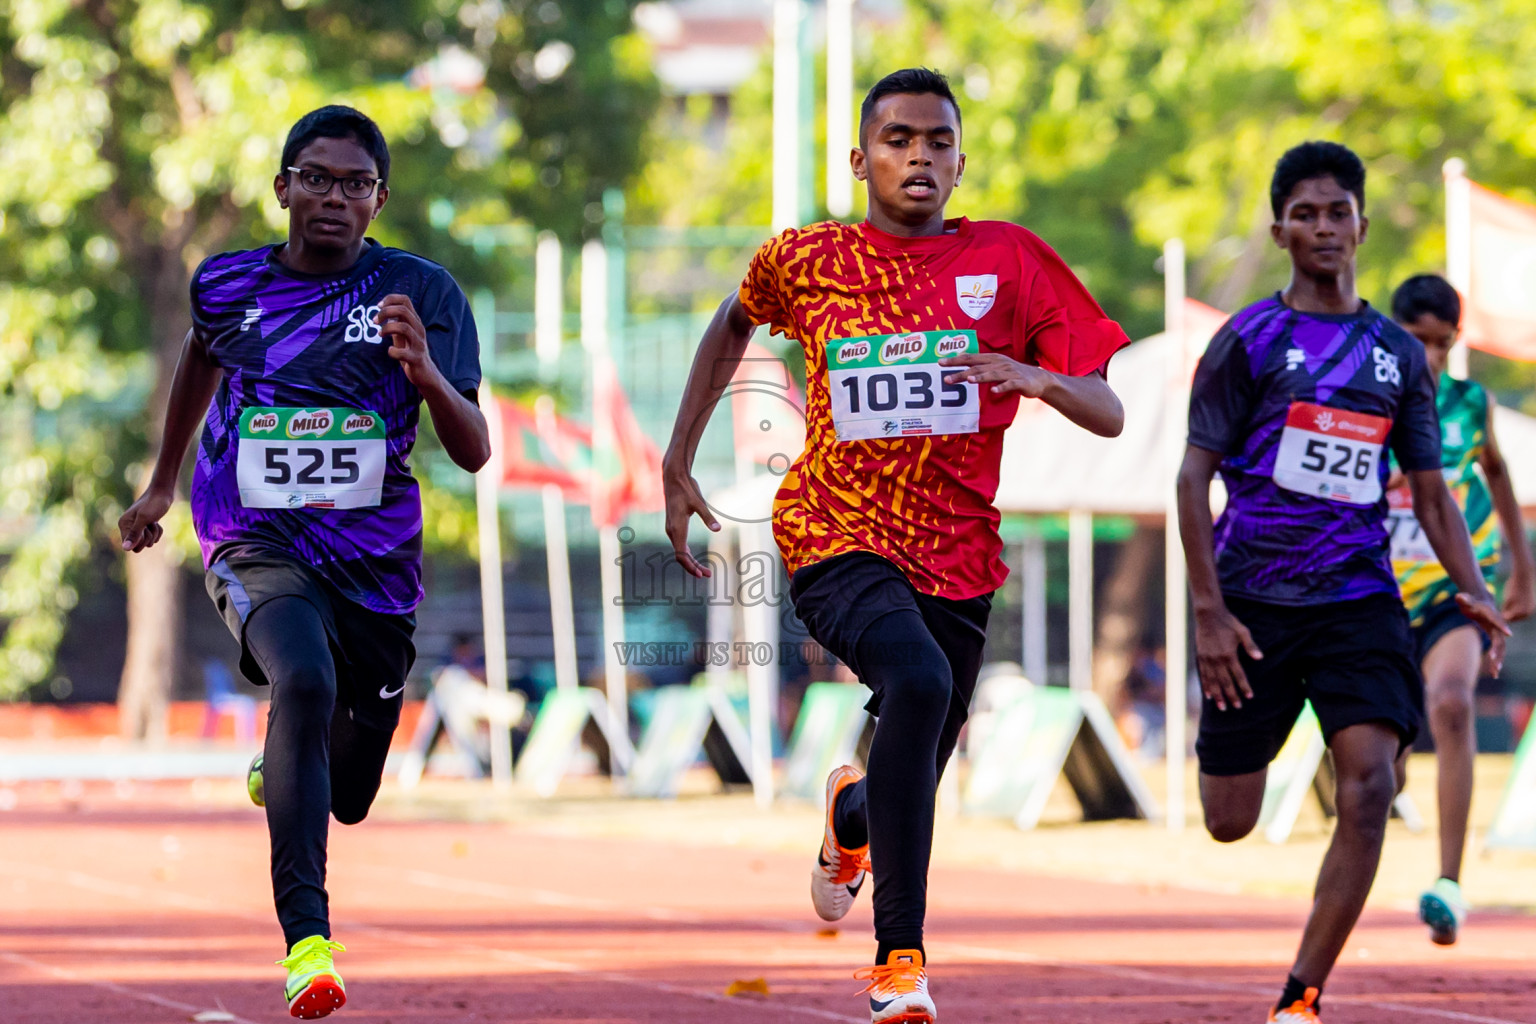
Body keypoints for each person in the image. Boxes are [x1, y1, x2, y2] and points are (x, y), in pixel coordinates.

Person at [663, 68, 1128, 1024]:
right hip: (834, 531)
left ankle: (852, 817)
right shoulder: (809, 258)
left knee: (913, 762)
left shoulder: (1013, 261)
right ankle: (900, 962)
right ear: (861, 159)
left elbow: (1109, 412)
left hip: (959, 554)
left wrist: (1028, 374)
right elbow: (730, 323)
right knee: (915, 687)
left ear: (962, 162)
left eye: (938, 142)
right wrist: (679, 458)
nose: (920, 156)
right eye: (899, 139)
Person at [118, 105, 488, 1020]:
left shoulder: (422, 293)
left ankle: (286, 762)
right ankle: (308, 945)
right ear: (283, 188)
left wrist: (426, 376)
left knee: (350, 793)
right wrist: (164, 483)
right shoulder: (227, 285)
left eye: (353, 183)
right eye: (315, 178)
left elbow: (476, 450)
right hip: (252, 534)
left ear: (379, 200)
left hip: (373, 564)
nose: (332, 197)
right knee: (304, 680)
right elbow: (199, 360)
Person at [1177, 141, 1509, 1024]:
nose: (1324, 227)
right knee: (1228, 819)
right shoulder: (1246, 341)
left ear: (1362, 222)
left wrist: (1471, 586)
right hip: (1251, 603)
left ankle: (1301, 995)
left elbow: (1433, 493)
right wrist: (1208, 614)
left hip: (1359, 597)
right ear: (1280, 226)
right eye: (1306, 213)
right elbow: (1188, 479)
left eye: (1339, 212)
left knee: (1371, 784)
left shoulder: (1398, 354)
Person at [1385, 274, 1536, 945]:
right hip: (1377, 593)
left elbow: (1498, 474)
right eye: (1418, 342)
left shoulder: (1469, 404)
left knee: (1450, 702)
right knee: (1380, 753)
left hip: (1456, 588)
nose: (1432, 358)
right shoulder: (1363, 400)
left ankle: (1448, 882)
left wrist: (1521, 565)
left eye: (1443, 344)